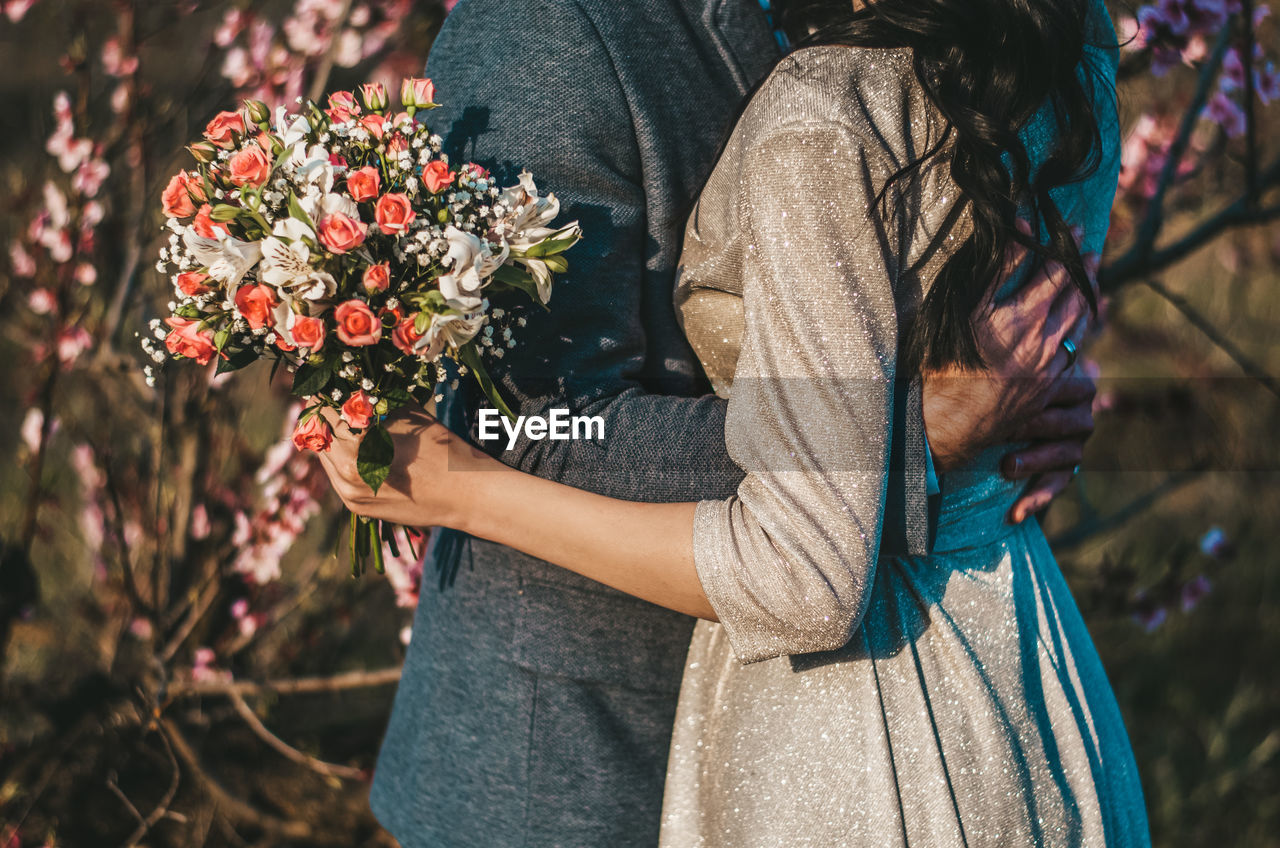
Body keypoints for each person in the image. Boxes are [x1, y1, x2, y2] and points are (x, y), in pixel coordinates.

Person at [342, 0, 1111, 844]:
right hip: (582, 750)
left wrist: (1036, 380)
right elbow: (534, 424)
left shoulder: (1026, 41)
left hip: (912, 691)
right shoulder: (544, 26)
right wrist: (903, 435)